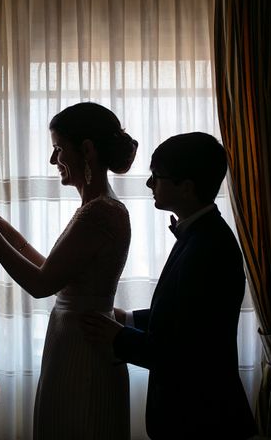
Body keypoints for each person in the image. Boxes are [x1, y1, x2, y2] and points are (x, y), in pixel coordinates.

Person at [0, 102, 138, 439]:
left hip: (82, 343)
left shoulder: (98, 213)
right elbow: (56, 274)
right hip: (76, 335)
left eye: (58, 149)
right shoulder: (96, 208)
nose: (53, 160)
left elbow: (41, 285)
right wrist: (4, 230)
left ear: (85, 149)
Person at [81, 132, 258, 439]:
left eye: (156, 177)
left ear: (187, 188)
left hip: (201, 419)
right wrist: (131, 319)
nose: (149, 185)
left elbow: (188, 355)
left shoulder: (209, 248)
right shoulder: (201, 234)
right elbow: (188, 315)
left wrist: (120, 337)